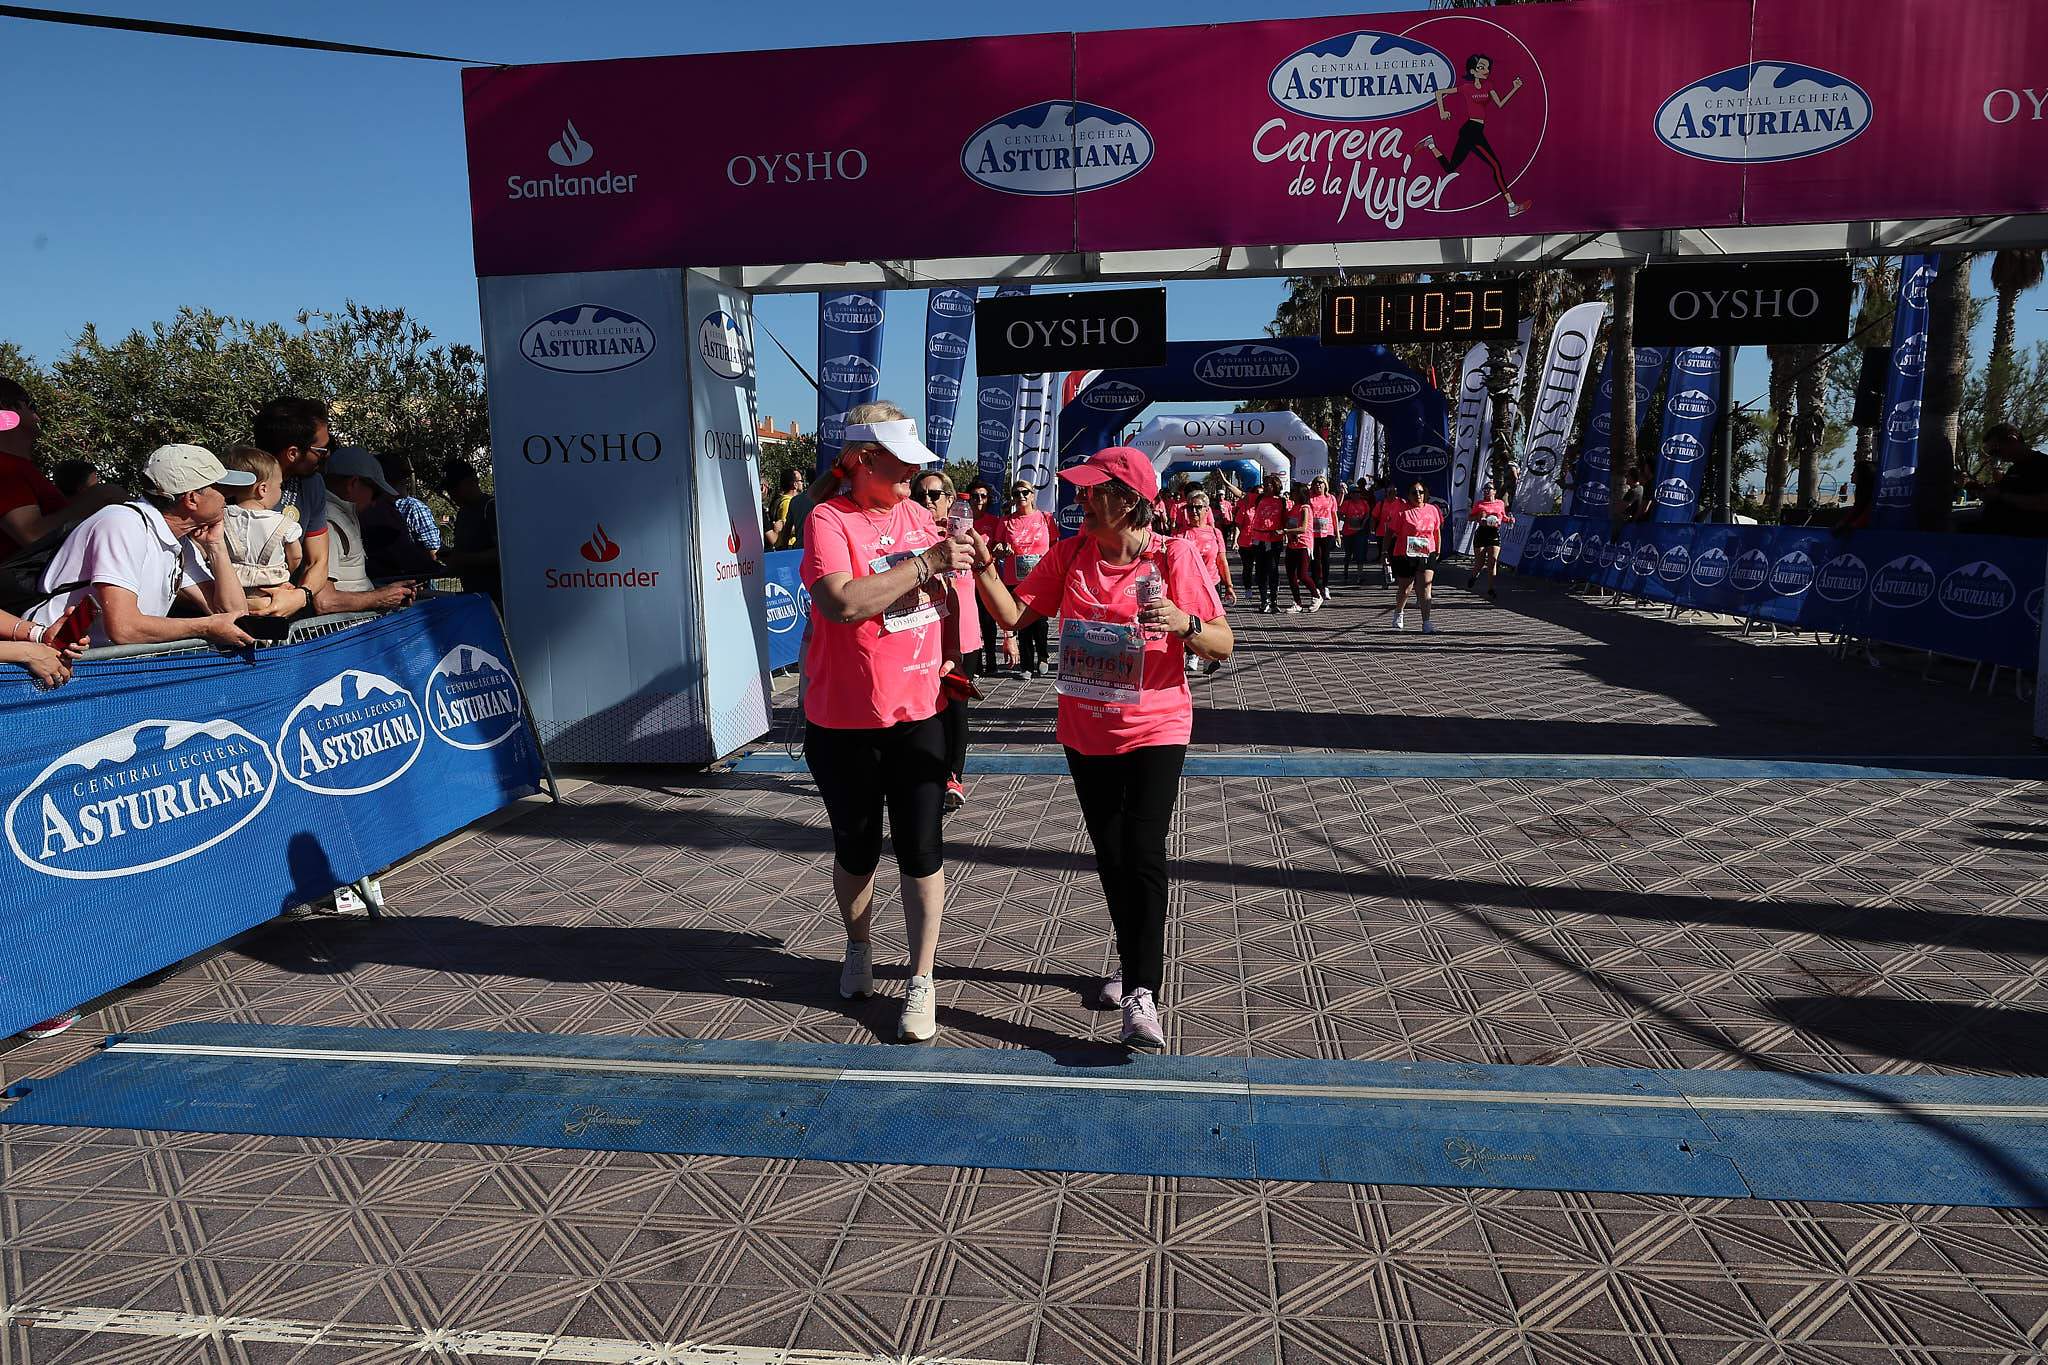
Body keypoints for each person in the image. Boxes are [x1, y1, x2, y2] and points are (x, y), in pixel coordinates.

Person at [969, 447, 1232, 1049]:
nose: (1082, 500)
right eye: (1082, 490)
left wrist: (1184, 623)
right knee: (1112, 856)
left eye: (1095, 491)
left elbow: (1224, 643)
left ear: (1130, 501)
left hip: (1156, 726)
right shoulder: (1070, 555)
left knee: (1142, 852)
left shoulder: (1173, 556)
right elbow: (1014, 615)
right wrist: (983, 569)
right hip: (1086, 730)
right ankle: (1131, 959)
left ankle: (1143, 993)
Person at [798, 401, 972, 1042]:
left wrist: (956, 636)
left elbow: (951, 596)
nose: (912, 474)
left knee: (922, 851)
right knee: (857, 849)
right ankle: (859, 944)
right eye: (901, 463)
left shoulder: (921, 517)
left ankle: (922, 979)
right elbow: (842, 603)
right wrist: (925, 566)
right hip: (844, 720)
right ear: (863, 460)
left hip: (920, 711)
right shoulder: (828, 519)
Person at [26, 444, 255, 649]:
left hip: (89, 664)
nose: (228, 497)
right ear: (192, 499)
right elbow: (124, 628)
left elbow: (235, 616)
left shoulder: (178, 540)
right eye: (221, 488)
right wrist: (205, 627)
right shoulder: (123, 524)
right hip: (48, 660)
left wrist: (216, 547)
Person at [912, 468, 982, 813]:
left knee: (955, 711)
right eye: (920, 495)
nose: (927, 500)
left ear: (951, 500)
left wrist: (1009, 636)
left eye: (934, 494)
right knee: (924, 712)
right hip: (922, 638)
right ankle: (924, 774)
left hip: (963, 637)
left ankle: (953, 777)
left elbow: (991, 584)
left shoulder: (967, 536)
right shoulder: (912, 537)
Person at [0, 376, 124, 560]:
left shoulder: (20, 466)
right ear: (6, 408)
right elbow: (32, 534)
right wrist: (99, 496)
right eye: (31, 406)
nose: (38, 416)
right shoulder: (5, 468)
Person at [250, 396, 333, 620]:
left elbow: (318, 560)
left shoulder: (312, 484)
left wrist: (300, 596)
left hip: (290, 610)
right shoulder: (237, 483)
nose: (327, 455)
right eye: (321, 450)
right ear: (293, 453)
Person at [1418, 53, 1529, 218]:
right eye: (1481, 67)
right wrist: (1442, 111)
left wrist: (1515, 88)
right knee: (1495, 166)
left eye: (1487, 68)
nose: (1486, 71)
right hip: (1471, 131)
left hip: (1475, 131)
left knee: (1450, 168)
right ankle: (1511, 206)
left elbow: (1500, 104)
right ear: (1472, 71)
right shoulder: (1466, 88)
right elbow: (1439, 93)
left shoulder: (1488, 86)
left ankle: (1431, 144)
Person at [321, 449, 419, 611]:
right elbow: (325, 601)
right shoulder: (329, 522)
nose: (375, 503)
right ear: (353, 484)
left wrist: (388, 593)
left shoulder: (344, 516)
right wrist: (380, 598)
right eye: (376, 494)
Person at [219, 446, 306, 612]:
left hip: (231, 592)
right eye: (280, 486)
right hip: (271, 594)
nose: (281, 490)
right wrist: (286, 571)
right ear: (263, 489)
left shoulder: (221, 517)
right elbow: (296, 556)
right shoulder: (284, 524)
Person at [990, 478, 1057, 676]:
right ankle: (1026, 666)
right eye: (1016, 493)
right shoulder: (1006, 521)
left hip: (1040, 579)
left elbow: (1055, 547)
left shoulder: (1045, 518)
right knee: (1022, 623)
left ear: (1032, 495)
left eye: (1025, 492)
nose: (1021, 496)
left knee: (1041, 622)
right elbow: (996, 546)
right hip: (1016, 579)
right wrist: (1002, 549)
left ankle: (1043, 657)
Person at [1181, 487, 1234, 675]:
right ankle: (1192, 655)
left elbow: (1222, 561)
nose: (1194, 511)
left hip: (1212, 584)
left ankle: (1209, 658)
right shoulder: (1182, 534)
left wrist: (1229, 586)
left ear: (1207, 510)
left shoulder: (1215, 533)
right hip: (1190, 586)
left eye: (1198, 507)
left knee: (1211, 624)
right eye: (1190, 508)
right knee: (1192, 622)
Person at [1386, 482, 1445, 634]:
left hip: (1427, 551)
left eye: (1420, 492)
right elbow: (1390, 532)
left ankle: (1426, 622)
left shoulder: (1433, 509)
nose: (1418, 495)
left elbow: (1436, 530)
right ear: (1409, 495)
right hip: (1405, 553)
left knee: (1426, 586)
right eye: (1414, 492)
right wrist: (1384, 552)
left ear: (1425, 494)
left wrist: (1438, 550)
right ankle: (1399, 612)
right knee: (1406, 588)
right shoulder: (1402, 511)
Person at [438, 460, 500, 604]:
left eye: (454, 488)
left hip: (496, 597)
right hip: (473, 596)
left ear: (471, 481)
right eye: (448, 489)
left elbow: (503, 554)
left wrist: (462, 559)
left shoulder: (491, 507)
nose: (451, 494)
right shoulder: (462, 513)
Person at [964, 479, 1009, 672]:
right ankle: (975, 663)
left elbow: (1000, 545)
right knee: (971, 622)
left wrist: (1001, 549)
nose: (979, 500)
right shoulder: (962, 519)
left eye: (983, 496)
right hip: (966, 579)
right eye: (975, 496)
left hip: (988, 578)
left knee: (988, 622)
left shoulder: (994, 521)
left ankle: (991, 661)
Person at [1973, 423, 2048, 537]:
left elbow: (2043, 503)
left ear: (2013, 439)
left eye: (1996, 450)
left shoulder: (2043, 465)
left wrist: (2000, 495)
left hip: (2028, 537)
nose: (1995, 456)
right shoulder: (2013, 469)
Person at [1240, 480, 1285, 613]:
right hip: (1258, 539)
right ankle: (1263, 601)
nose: (1265, 486)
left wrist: (1287, 532)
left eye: (1268, 484)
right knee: (1260, 571)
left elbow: (1288, 518)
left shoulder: (1281, 501)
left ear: (1275, 486)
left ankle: (1274, 601)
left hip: (1274, 540)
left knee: (1273, 570)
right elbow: (1241, 494)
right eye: (1264, 484)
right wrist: (1225, 482)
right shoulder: (1259, 498)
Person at [1465, 480, 1514, 599]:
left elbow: (1503, 517)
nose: (1486, 491)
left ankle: (1491, 588)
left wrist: (1510, 520)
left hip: (1493, 533)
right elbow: (1470, 517)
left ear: (1494, 491)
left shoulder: (1500, 503)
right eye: (1485, 489)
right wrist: (1479, 517)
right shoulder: (1479, 504)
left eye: (1489, 489)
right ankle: (1474, 576)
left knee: (1492, 562)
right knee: (1480, 562)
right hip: (1481, 533)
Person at [1283, 482, 1321, 613]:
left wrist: (1286, 531)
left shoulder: (1305, 508)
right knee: (1291, 575)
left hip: (1303, 545)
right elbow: (1288, 522)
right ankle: (1297, 603)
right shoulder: (1293, 508)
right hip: (1292, 545)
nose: (1292, 493)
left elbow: (1303, 528)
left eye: (1294, 491)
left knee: (1302, 574)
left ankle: (1316, 595)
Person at [1307, 474, 1339, 601]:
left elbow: (1334, 516)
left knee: (1325, 559)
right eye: (1316, 483)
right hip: (1313, 533)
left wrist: (1337, 534)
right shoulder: (1310, 498)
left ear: (1325, 485)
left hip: (1327, 532)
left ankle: (1325, 586)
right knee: (1315, 560)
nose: (1318, 485)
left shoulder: (1330, 498)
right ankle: (1317, 586)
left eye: (1320, 482)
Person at [1339, 481, 1375, 584]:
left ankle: (1360, 574)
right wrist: (1347, 520)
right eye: (1354, 493)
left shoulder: (1364, 503)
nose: (1356, 495)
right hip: (1348, 532)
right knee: (1348, 554)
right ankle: (1345, 572)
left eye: (1358, 493)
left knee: (1360, 554)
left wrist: (1363, 522)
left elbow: (1368, 514)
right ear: (1351, 494)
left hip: (1360, 532)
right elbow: (1340, 514)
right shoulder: (1347, 503)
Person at [765, 467, 804, 547]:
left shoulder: (785, 500)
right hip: (789, 546)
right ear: (795, 484)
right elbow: (784, 527)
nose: (802, 483)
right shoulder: (787, 502)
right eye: (801, 481)